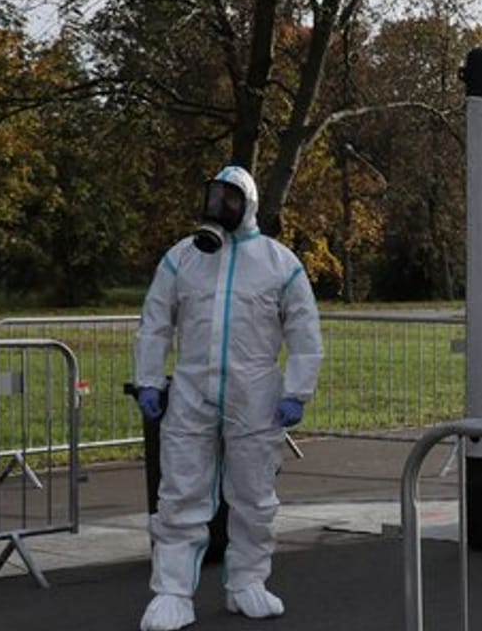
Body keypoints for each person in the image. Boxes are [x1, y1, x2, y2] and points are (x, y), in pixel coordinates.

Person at [133, 165, 324, 631]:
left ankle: (248, 582)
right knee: (179, 492)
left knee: (254, 495)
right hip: (192, 392)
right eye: (215, 196)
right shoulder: (183, 258)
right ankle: (172, 591)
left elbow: (304, 330)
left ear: (249, 204)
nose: (220, 207)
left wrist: (297, 390)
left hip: (255, 394)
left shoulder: (280, 263)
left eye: (231, 198)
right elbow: (155, 321)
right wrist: (149, 380)